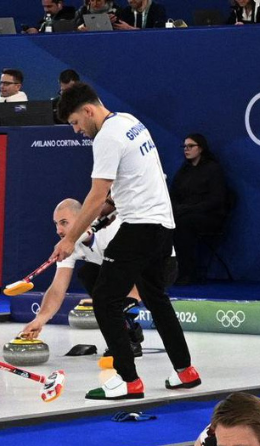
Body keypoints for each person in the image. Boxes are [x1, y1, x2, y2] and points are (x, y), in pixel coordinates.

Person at [53, 82, 201, 400]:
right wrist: (111, 210)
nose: (78, 130)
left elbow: (96, 195)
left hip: (140, 228)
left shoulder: (106, 136)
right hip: (162, 224)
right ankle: (185, 371)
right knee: (155, 296)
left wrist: (70, 239)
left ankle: (127, 380)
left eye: (76, 122)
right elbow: (138, 180)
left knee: (106, 300)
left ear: (88, 110)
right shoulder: (129, 121)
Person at [18, 196, 145, 355]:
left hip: (154, 269)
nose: (58, 230)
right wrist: (39, 320)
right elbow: (58, 288)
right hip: (119, 272)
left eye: (64, 222)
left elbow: (137, 274)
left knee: (108, 299)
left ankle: (127, 336)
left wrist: (118, 307)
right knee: (88, 274)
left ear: (82, 219)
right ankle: (128, 334)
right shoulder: (68, 246)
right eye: (56, 224)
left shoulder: (111, 231)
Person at [170, 133, 230, 285]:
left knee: (183, 223)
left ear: (201, 148)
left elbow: (216, 200)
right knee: (170, 222)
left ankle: (187, 273)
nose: (186, 149)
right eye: (184, 146)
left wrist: (189, 209)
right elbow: (173, 194)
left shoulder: (213, 169)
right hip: (184, 213)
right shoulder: (184, 170)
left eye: (191, 146)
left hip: (209, 216)